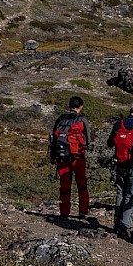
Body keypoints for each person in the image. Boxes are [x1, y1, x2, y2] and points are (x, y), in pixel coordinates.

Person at [107, 100, 133, 239]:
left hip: (119, 162)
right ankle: (125, 223)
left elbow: (109, 143)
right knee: (131, 193)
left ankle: (117, 221)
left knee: (120, 190)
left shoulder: (119, 123)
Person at [49, 96, 91, 226]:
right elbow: (88, 141)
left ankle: (64, 212)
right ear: (81, 106)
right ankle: (83, 210)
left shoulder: (61, 119)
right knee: (82, 184)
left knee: (65, 185)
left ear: (69, 106)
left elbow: (54, 140)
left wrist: (52, 157)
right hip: (77, 157)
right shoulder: (82, 120)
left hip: (62, 157)